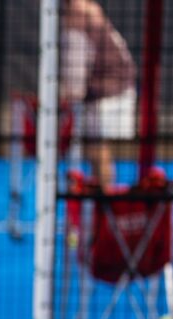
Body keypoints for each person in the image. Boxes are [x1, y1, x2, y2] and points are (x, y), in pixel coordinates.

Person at [61, 0, 137, 189]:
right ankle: (99, 198)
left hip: (111, 91)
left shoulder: (78, 12)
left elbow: (75, 82)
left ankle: (104, 199)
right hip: (106, 88)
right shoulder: (82, 9)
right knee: (94, 147)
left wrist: (67, 95)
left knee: (97, 147)